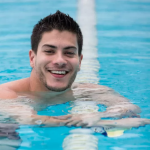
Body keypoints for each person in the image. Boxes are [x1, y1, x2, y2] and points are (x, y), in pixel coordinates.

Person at [0, 10, 150, 130]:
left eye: (69, 53)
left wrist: (100, 116)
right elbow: (30, 120)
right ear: (32, 58)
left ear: (80, 61)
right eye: (49, 51)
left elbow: (130, 107)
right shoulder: (7, 94)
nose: (60, 61)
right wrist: (109, 124)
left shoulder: (86, 91)